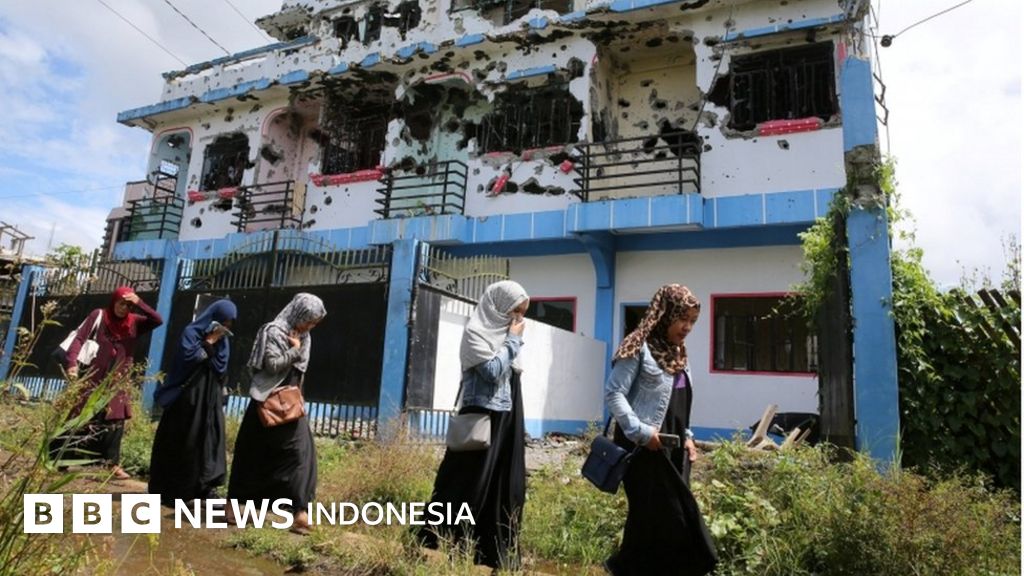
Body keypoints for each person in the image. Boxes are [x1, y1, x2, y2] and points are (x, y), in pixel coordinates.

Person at [603, 284, 717, 576]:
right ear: (666, 314)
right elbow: (614, 393)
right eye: (682, 319)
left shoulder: (678, 352)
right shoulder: (638, 346)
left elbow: (679, 403)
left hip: (673, 447)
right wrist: (642, 433)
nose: (687, 327)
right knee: (660, 516)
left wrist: (688, 437)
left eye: (692, 321)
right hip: (643, 447)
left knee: (663, 520)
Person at [419, 280, 530, 570]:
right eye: (515, 311)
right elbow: (492, 371)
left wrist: (511, 341)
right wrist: (513, 340)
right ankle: (438, 539)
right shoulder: (476, 333)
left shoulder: (505, 335)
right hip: (483, 414)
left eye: (522, 313)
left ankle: (491, 551)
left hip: (507, 416)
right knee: (466, 479)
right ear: (499, 307)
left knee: (505, 483)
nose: (519, 319)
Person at [227, 293, 325, 535]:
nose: (310, 326)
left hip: (290, 403)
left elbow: (299, 371)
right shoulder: (273, 331)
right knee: (251, 454)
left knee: (301, 455)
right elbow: (272, 365)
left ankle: (300, 513)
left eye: (314, 323)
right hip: (266, 400)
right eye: (308, 320)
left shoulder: (304, 336)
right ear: (298, 313)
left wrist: (300, 394)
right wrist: (295, 350)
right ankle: (234, 508)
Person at [55, 286, 163, 479]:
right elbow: (79, 339)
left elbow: (157, 320)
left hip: (118, 379)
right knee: (80, 416)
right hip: (94, 376)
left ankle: (111, 464)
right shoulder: (99, 315)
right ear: (114, 301)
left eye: (128, 305)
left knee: (115, 419)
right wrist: (72, 364)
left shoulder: (135, 323)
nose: (123, 308)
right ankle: (60, 458)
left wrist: (139, 303)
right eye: (121, 303)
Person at [148, 299, 237, 505]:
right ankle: (173, 491)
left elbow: (221, 366)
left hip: (209, 399)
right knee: (183, 441)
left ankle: (203, 489)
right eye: (224, 321)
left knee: (207, 441)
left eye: (229, 323)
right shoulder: (191, 333)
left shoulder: (224, 340)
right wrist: (208, 343)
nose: (226, 326)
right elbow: (188, 359)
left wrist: (214, 345)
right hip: (187, 399)